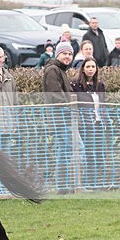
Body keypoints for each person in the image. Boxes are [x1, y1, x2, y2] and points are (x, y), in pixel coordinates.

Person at [43, 41, 74, 192]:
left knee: (63, 152)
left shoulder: (61, 70)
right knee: (75, 148)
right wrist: (70, 109)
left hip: (63, 118)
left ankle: (63, 186)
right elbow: (56, 95)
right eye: (64, 54)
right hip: (60, 118)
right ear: (58, 55)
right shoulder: (52, 70)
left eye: (70, 54)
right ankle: (70, 184)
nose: (67, 57)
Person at [71, 57, 107, 185]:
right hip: (85, 124)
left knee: (99, 153)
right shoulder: (76, 85)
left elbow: (103, 104)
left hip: (99, 123)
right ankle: (87, 182)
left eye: (93, 67)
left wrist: (105, 120)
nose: (91, 69)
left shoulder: (100, 85)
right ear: (83, 69)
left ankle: (99, 181)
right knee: (88, 153)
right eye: (88, 67)